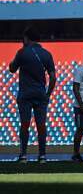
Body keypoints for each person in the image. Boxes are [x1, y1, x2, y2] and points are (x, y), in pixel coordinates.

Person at [9, 27, 56, 163]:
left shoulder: (22, 52)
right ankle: (42, 156)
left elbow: (12, 69)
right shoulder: (47, 54)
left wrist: (14, 62)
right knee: (41, 125)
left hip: (25, 94)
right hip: (41, 94)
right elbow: (53, 77)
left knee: (25, 124)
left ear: (26, 38)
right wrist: (48, 94)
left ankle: (23, 156)